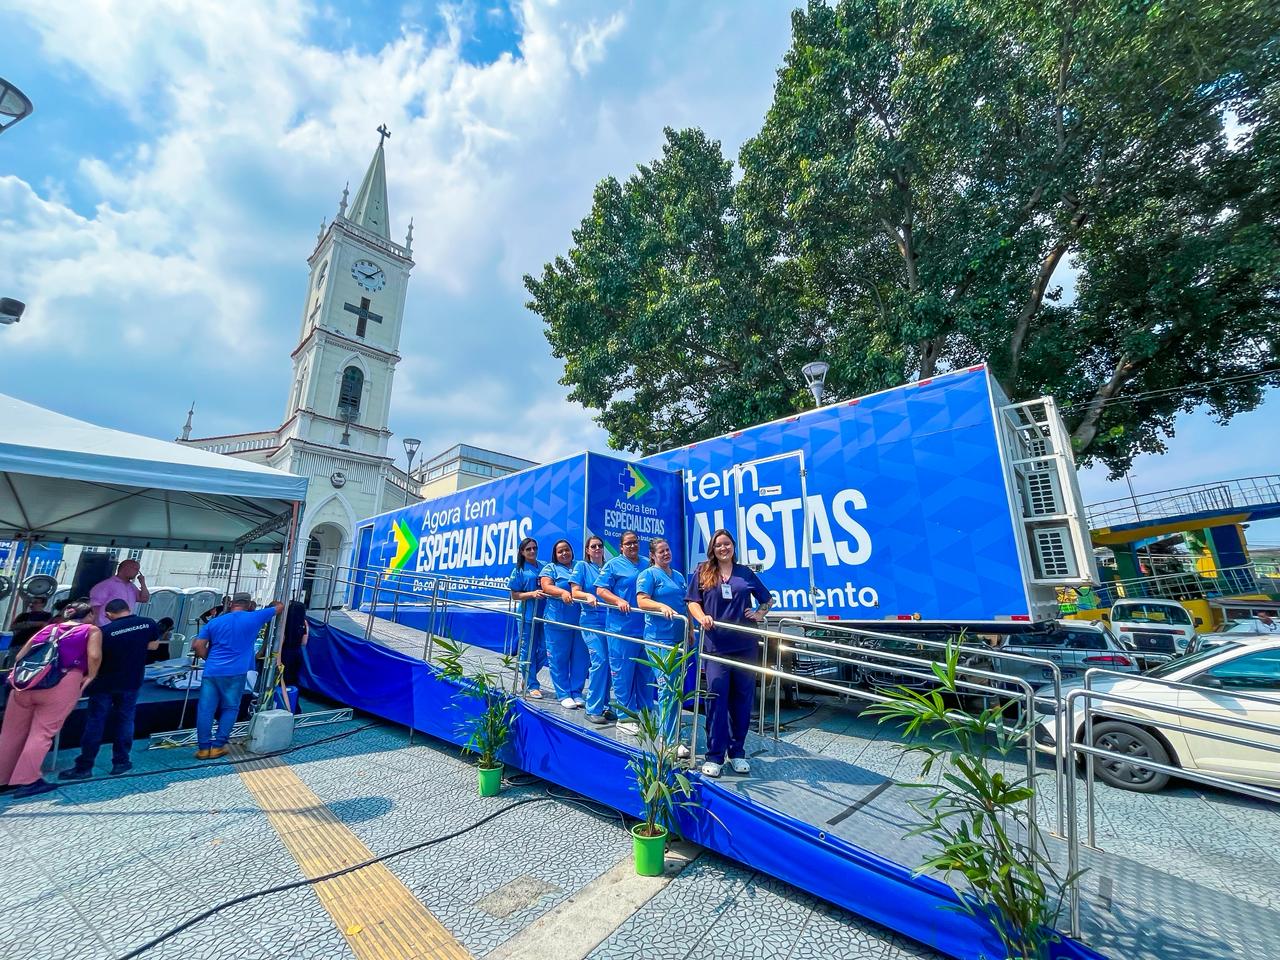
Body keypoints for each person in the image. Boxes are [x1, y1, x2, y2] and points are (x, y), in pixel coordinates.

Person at [685, 529, 772, 778]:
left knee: (742, 699)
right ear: (712, 549)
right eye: (719, 545)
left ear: (733, 546)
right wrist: (702, 618)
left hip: (745, 643)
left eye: (727, 544)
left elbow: (767, 599)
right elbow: (692, 601)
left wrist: (759, 613)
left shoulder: (745, 573)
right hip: (716, 645)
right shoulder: (703, 571)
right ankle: (714, 755)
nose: (724, 548)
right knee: (716, 697)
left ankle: (737, 753)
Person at [0, 600, 102, 798]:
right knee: (42, 732)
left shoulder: (49, 628)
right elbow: (95, 656)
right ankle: (27, 779)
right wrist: (91, 675)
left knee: (10, 733)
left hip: (26, 683)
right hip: (62, 681)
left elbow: (21, 655)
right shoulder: (90, 630)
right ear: (88, 615)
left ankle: (3, 779)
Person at [60, 598, 160, 779]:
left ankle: (85, 765)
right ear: (128, 609)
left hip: (103, 683)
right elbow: (153, 646)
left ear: (108, 614)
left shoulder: (103, 632)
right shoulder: (148, 624)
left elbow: (94, 655)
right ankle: (121, 761)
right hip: (131, 681)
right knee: (125, 720)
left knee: (95, 722)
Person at [191, 592, 283, 759]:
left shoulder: (216, 621)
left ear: (231, 603)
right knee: (230, 707)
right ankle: (218, 746)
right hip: (236, 671)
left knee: (205, 709)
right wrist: (274, 602)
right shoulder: (254, 618)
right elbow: (279, 608)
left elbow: (197, 645)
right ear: (248, 605)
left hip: (212, 671)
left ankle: (204, 748)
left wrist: (207, 657)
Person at [636, 537, 690, 750]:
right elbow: (642, 600)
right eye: (661, 551)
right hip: (659, 638)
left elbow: (685, 604)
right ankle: (668, 740)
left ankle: (673, 731)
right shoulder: (648, 574)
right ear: (652, 555)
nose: (666, 554)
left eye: (667, 550)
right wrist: (660, 606)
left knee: (676, 687)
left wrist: (691, 630)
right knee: (667, 686)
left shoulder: (677, 576)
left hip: (680, 637)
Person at [596, 531, 650, 735]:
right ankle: (625, 715)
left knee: (645, 672)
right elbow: (601, 590)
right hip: (621, 628)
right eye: (628, 543)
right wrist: (618, 600)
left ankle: (645, 712)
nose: (632, 546)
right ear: (621, 547)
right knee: (623, 673)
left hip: (645, 628)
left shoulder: (647, 563)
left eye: (635, 542)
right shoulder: (613, 565)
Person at [540, 539, 589, 709]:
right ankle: (563, 693)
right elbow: (546, 587)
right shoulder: (550, 568)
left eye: (566, 550)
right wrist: (562, 592)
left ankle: (576, 692)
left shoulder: (580, 565)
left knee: (580, 659)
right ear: (555, 554)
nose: (564, 554)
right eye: (560, 551)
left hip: (580, 622)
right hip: (557, 622)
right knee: (559, 659)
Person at [570, 536, 613, 725]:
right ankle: (592, 707)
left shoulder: (610, 566)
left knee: (611, 663)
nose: (597, 548)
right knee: (600, 660)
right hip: (591, 620)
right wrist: (587, 595)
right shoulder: (582, 567)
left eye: (600, 546)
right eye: (593, 546)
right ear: (587, 550)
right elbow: (574, 592)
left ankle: (605, 705)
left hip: (611, 620)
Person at [508, 538, 548, 699]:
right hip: (527, 616)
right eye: (528, 549)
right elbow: (515, 595)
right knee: (527, 650)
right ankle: (532, 684)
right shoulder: (519, 570)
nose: (532, 551)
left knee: (546, 649)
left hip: (545, 616)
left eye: (534, 548)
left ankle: (527, 675)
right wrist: (532, 594)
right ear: (522, 552)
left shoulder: (544, 566)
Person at [89, 559, 150, 627]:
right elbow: (95, 607)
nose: (137, 572)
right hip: (106, 626)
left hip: (124, 626)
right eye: (135, 569)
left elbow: (144, 599)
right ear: (124, 568)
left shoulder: (132, 587)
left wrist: (143, 583)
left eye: (138, 570)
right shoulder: (105, 585)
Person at [278, 600, 309, 713]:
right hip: (297, 653)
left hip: (286, 652)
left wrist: (279, 658)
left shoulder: (286, 622)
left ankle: (283, 704)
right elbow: (304, 642)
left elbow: (282, 640)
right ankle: (294, 705)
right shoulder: (304, 623)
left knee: (281, 680)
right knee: (294, 681)